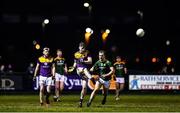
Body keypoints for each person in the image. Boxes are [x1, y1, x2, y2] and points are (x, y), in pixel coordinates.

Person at [68, 42, 92, 107]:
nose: (81, 49)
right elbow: (75, 63)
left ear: (84, 48)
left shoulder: (87, 53)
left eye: (83, 48)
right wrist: (73, 68)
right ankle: (91, 78)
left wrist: (84, 61)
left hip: (85, 73)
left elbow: (90, 61)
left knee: (84, 88)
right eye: (80, 48)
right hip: (79, 70)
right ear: (79, 47)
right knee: (83, 69)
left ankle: (80, 101)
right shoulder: (76, 54)